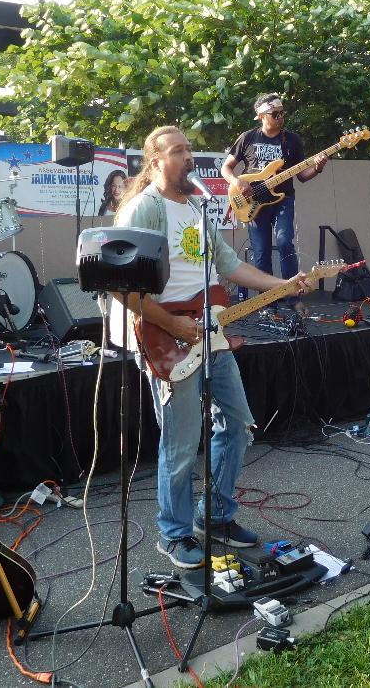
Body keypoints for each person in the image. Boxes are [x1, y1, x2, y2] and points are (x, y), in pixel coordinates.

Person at [116, 125, 315, 569]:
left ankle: (217, 516)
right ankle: (174, 534)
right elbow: (121, 287)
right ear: (156, 161)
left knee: (238, 424)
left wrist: (283, 284)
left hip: (211, 333)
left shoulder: (197, 207)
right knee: (181, 444)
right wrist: (172, 323)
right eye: (178, 151)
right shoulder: (143, 209)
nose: (189, 156)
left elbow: (230, 265)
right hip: (167, 337)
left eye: (190, 149)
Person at [221, 94, 327, 285]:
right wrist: (238, 183)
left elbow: (302, 176)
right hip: (253, 201)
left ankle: (293, 293)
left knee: (285, 242)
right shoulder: (247, 137)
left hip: (282, 200)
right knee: (261, 252)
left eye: (282, 113)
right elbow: (226, 168)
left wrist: (318, 168)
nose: (280, 117)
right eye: (275, 114)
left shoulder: (292, 140)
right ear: (261, 116)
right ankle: (268, 298)